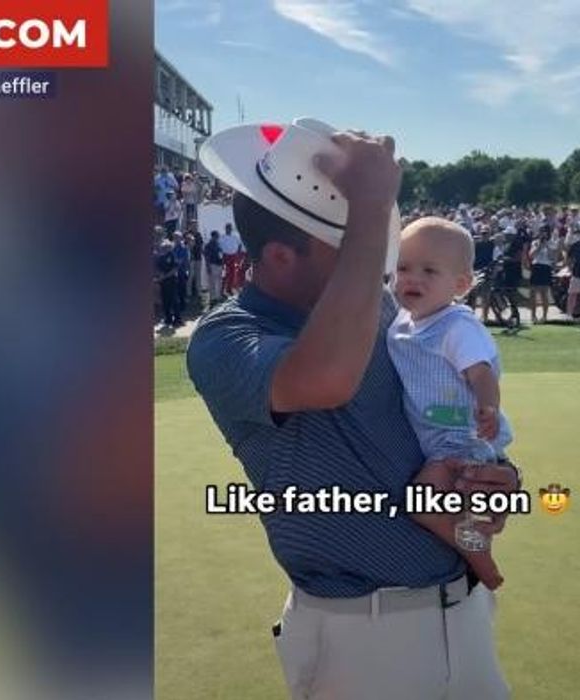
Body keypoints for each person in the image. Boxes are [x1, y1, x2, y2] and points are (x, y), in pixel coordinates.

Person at [187, 120, 516, 699]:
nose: (376, 270)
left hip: (463, 613)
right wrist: (370, 204)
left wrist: (496, 475)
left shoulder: (387, 312)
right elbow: (329, 377)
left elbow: (440, 406)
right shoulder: (224, 338)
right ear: (282, 258)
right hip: (359, 640)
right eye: (353, 250)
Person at [388, 217, 512, 589]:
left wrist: (488, 408)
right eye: (403, 267)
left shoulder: (456, 326)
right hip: (435, 439)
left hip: (461, 438)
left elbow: (481, 372)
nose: (413, 278)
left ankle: (479, 557)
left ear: (460, 285)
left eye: (429, 270)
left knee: (423, 501)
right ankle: (474, 541)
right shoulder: (402, 323)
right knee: (447, 504)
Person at [528, 225, 560, 323]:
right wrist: (539, 247)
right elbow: (531, 255)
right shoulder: (535, 242)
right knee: (533, 293)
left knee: (544, 293)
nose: (543, 234)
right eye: (541, 231)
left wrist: (547, 246)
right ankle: (533, 316)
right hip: (536, 267)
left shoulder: (552, 243)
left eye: (545, 232)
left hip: (546, 267)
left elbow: (553, 258)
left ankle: (544, 316)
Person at [219, 221, 245, 295]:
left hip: (233, 256)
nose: (229, 229)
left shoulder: (235, 236)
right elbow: (219, 247)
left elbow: (240, 245)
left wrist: (238, 254)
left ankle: (229, 289)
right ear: (225, 229)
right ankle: (222, 289)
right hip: (225, 257)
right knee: (224, 274)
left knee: (232, 273)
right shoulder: (222, 237)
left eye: (230, 228)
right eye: (227, 228)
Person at [203, 230, 224, 304]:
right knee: (212, 282)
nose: (218, 237)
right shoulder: (208, 245)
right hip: (212, 265)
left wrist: (222, 264)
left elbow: (221, 254)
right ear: (213, 236)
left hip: (219, 265)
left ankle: (218, 296)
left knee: (219, 282)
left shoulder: (218, 244)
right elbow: (207, 257)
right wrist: (208, 266)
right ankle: (212, 298)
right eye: (217, 236)